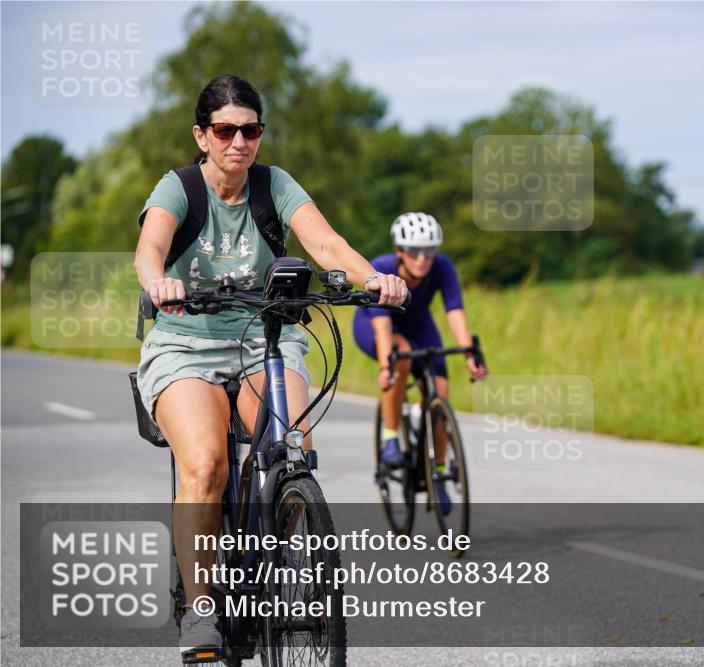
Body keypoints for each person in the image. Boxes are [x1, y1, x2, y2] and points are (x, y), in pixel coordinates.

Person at [133, 75, 407, 658]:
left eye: (250, 130)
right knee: (205, 463)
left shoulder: (273, 185)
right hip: (187, 344)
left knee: (290, 443)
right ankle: (203, 608)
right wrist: (159, 280)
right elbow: (150, 246)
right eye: (226, 130)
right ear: (201, 136)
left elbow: (326, 245)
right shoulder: (179, 188)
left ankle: (284, 538)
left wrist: (374, 277)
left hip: (267, 336)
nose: (239, 142)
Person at [352, 213, 488, 513]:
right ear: (400, 251)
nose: (423, 258)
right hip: (376, 323)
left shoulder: (443, 267)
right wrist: (386, 366)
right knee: (399, 356)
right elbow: (383, 324)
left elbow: (454, 310)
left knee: (440, 393)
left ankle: (437, 473)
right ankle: (390, 438)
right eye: (414, 251)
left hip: (419, 326)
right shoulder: (383, 267)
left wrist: (470, 354)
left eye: (429, 251)